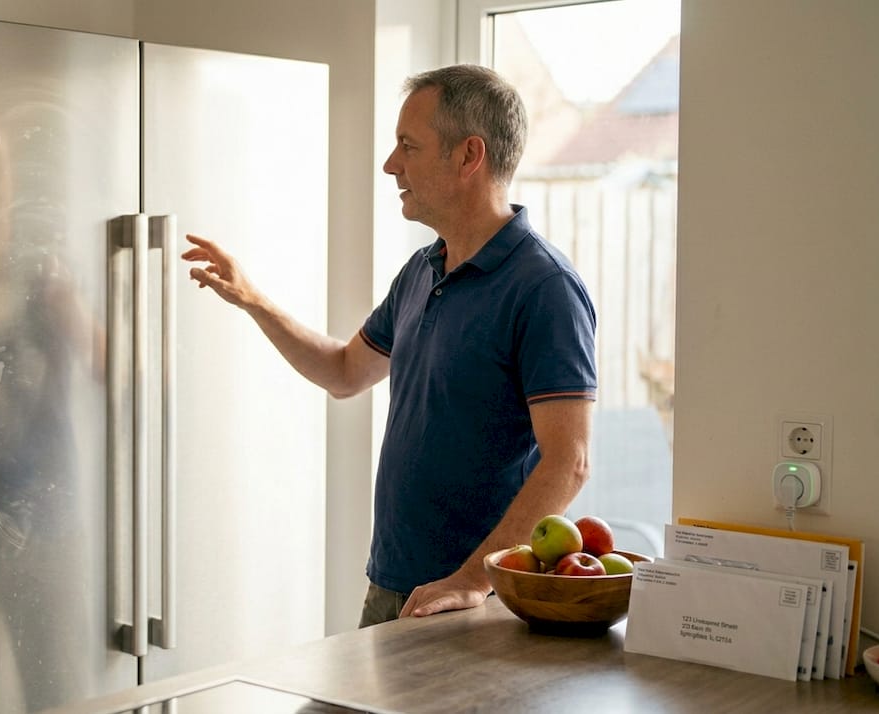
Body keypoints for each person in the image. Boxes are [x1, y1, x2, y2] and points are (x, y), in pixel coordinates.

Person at [182, 64, 597, 627]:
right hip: (394, 584)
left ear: (468, 156)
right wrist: (254, 300)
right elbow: (344, 372)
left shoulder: (544, 287)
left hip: (471, 604)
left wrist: (471, 582)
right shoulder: (423, 270)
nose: (390, 164)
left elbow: (569, 462)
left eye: (409, 145)